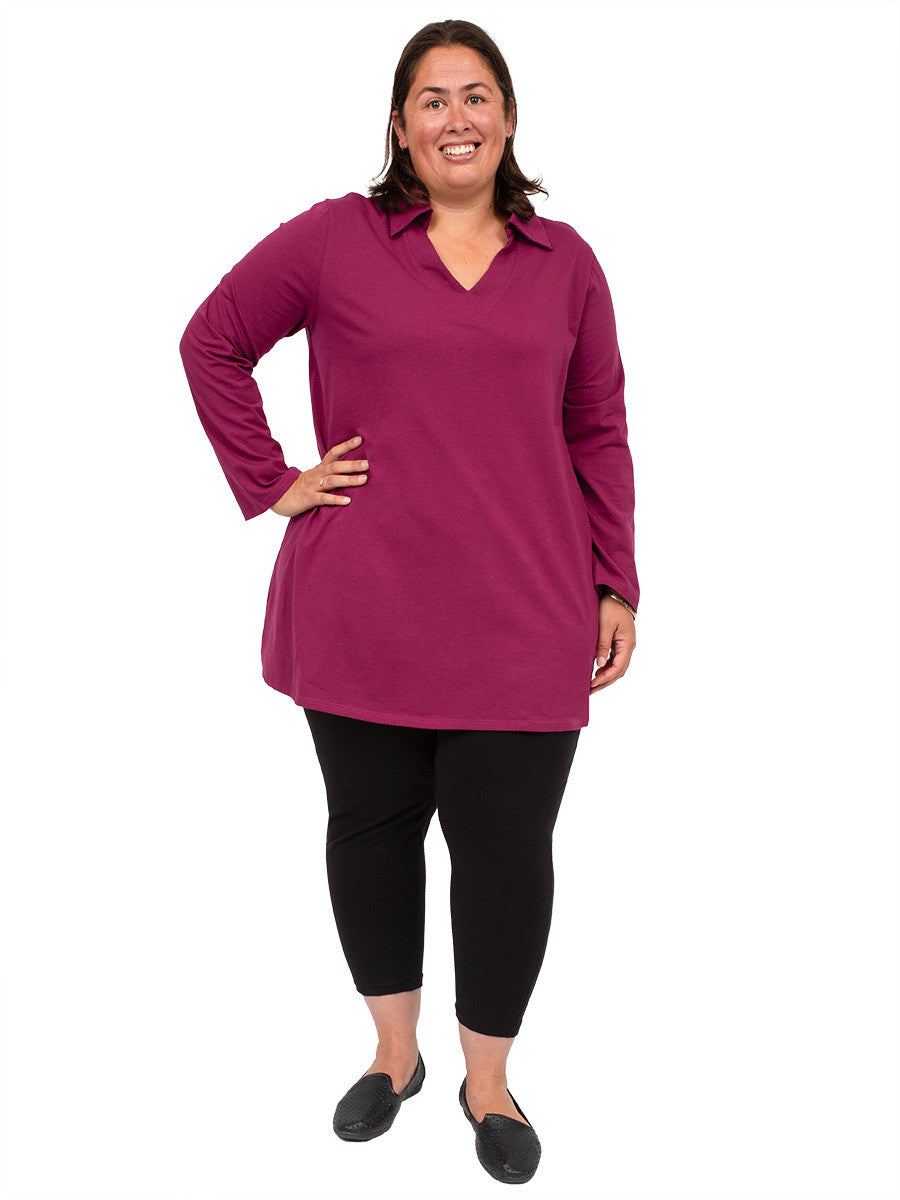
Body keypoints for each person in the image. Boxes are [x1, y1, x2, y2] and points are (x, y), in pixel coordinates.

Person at [178, 17, 639, 1186]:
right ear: (400, 124)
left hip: (527, 611)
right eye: (432, 100)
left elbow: (597, 427)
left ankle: (489, 1082)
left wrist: (616, 579)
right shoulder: (337, 239)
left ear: (510, 117)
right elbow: (213, 341)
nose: (456, 119)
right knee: (372, 832)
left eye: (476, 96)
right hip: (363, 608)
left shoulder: (567, 263)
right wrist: (272, 481)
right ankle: (396, 1058)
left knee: (505, 850)